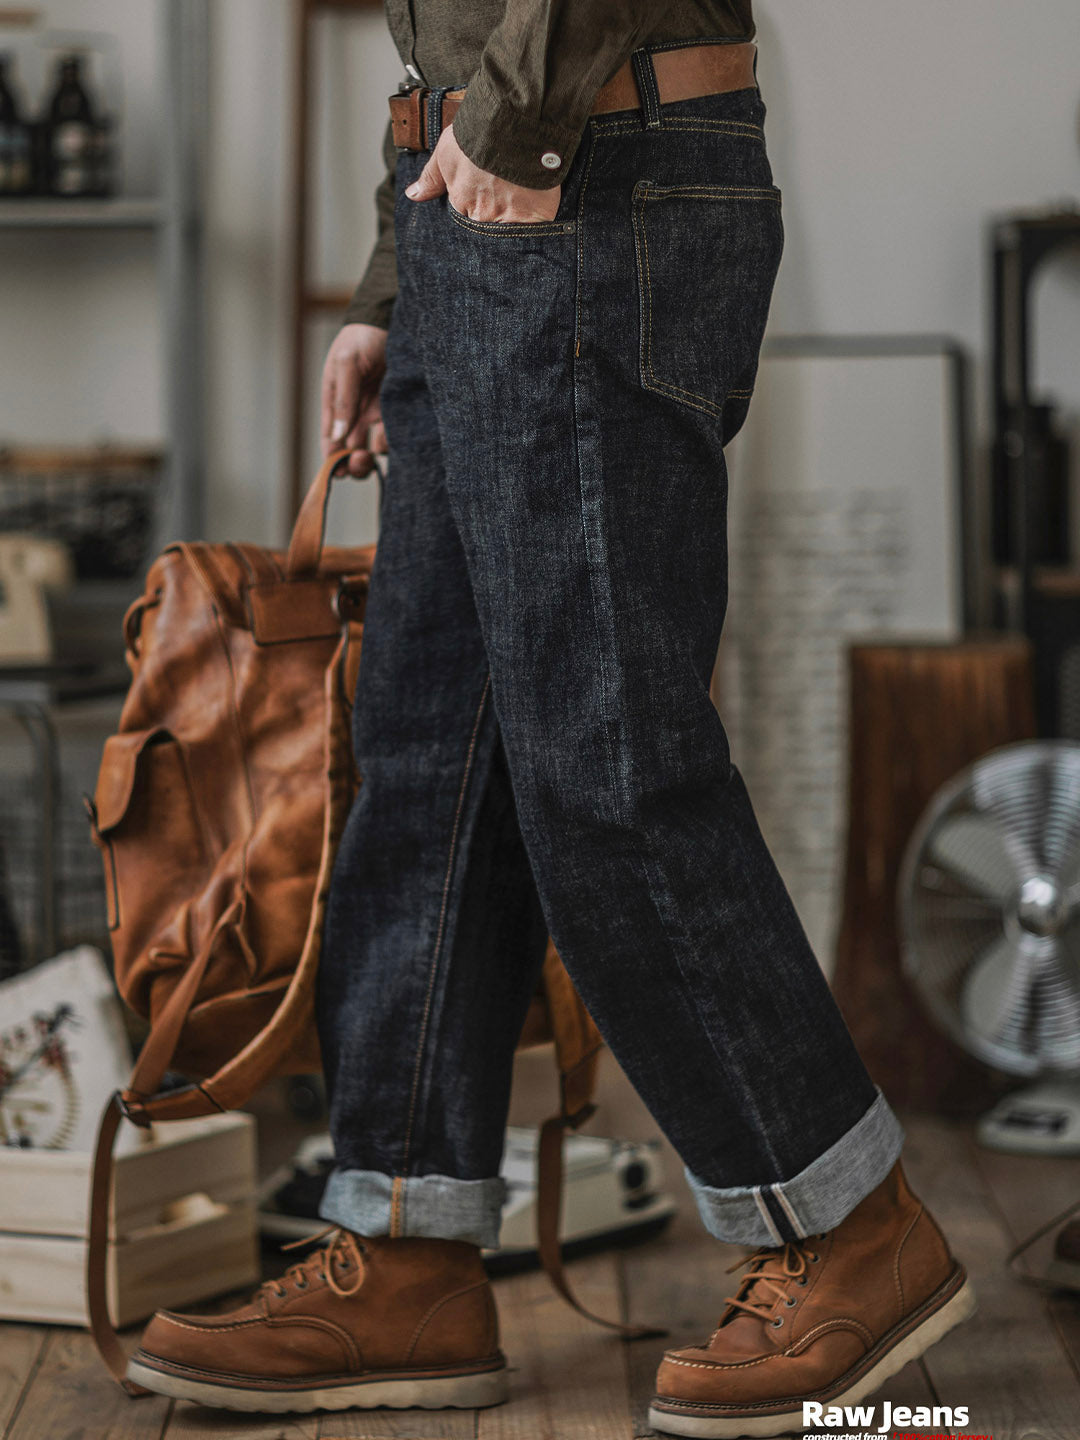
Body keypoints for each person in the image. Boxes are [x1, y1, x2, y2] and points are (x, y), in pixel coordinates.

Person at [126, 2, 975, 1434]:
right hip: (490, 185)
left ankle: (846, 1220)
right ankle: (406, 1248)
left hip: (594, 174)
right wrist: (398, 279)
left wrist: (515, 124)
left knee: (609, 763)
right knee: (426, 761)